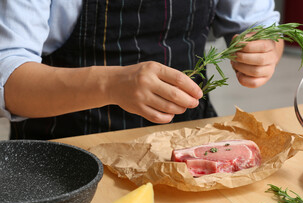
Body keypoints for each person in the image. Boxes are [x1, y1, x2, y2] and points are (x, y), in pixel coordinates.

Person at [0, 0, 284, 140]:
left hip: (188, 143)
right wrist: (111, 85)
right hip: (69, 153)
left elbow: (260, 25)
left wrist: (264, 48)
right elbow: (10, 80)